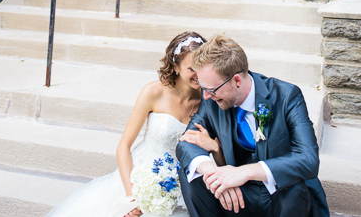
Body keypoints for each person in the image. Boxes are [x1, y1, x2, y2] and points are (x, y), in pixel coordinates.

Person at [47, 31, 216, 217]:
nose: (198, 74)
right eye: (192, 68)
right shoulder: (153, 92)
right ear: (176, 66)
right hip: (142, 178)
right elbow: (123, 147)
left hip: (186, 186)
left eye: (202, 66)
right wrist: (131, 197)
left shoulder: (210, 99)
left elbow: (219, 152)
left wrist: (214, 148)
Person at [176, 35, 329, 216]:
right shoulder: (211, 99)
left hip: (280, 194)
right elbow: (186, 143)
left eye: (211, 90)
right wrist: (214, 174)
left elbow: (308, 159)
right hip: (239, 196)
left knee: (294, 188)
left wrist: (246, 172)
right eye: (203, 87)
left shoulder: (287, 96)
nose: (206, 96)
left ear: (237, 81)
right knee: (192, 176)